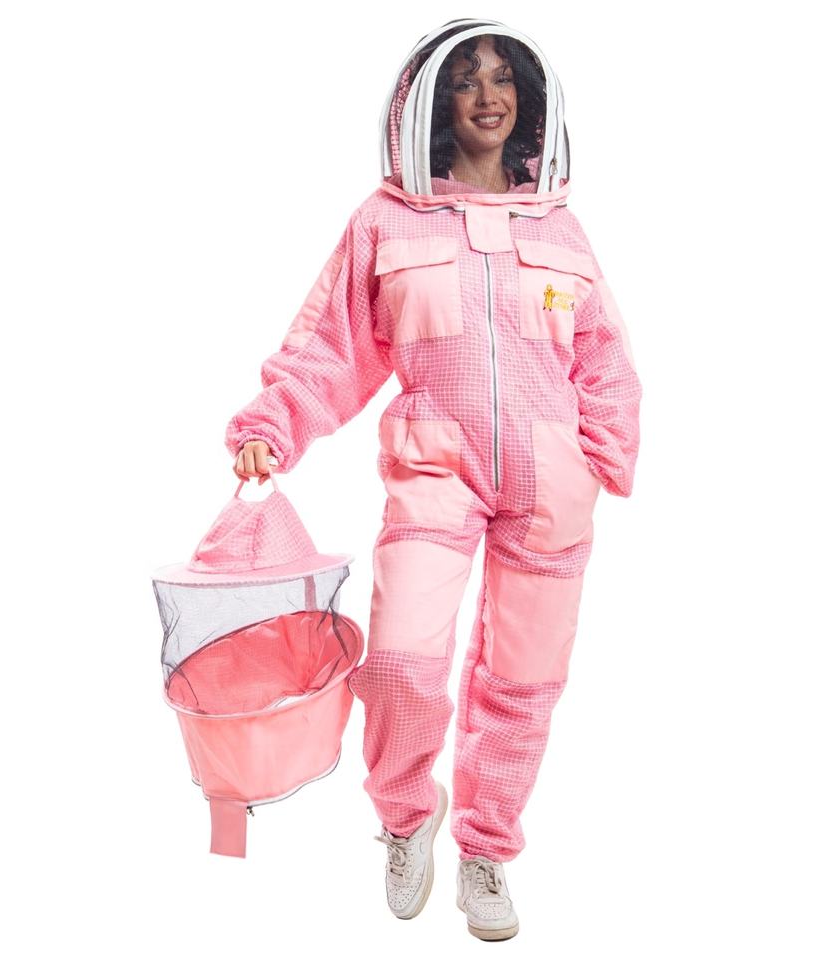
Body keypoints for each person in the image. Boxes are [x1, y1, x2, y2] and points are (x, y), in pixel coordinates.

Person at [228, 19, 641, 942]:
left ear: (528, 100)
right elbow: (330, 347)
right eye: (466, 80)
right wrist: (271, 428)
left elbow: (605, 355)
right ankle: (406, 818)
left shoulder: (559, 227)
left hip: (550, 486)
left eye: (503, 79)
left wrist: (603, 454)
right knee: (401, 665)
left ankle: (487, 850)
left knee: (524, 681)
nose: (488, 97)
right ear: (430, 104)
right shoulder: (387, 220)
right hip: (434, 469)